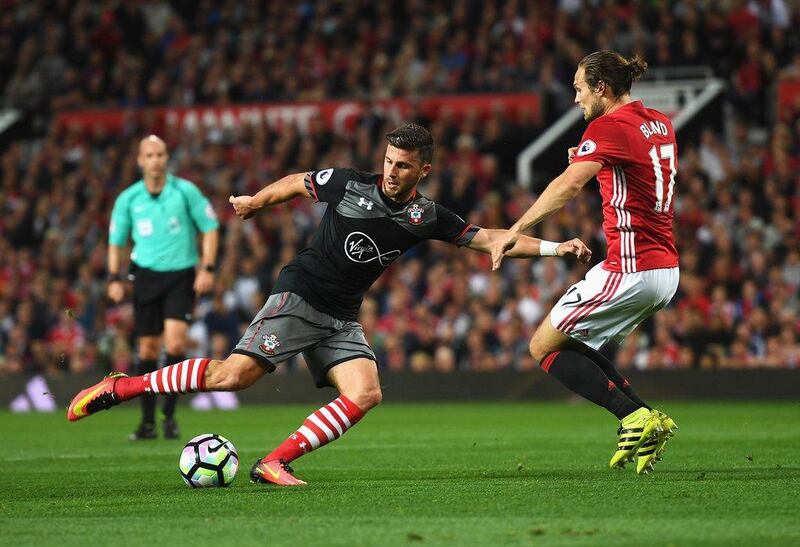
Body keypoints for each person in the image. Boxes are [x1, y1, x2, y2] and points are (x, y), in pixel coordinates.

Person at [68, 123, 591, 485]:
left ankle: (273, 463)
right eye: (388, 161)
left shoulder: (427, 216)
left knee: (365, 394)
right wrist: (255, 201)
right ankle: (122, 387)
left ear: (423, 170)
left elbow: (487, 238)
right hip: (301, 294)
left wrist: (554, 246)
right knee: (233, 377)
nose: (391, 172)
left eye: (404, 166)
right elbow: (298, 183)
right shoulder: (349, 184)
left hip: (341, 314)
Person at [491, 51, 680, 475]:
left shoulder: (608, 126)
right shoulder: (659, 122)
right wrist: (592, 159)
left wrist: (515, 228)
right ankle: (649, 419)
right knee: (574, 343)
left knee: (542, 346)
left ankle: (633, 417)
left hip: (632, 268)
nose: (575, 98)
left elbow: (570, 184)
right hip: (664, 269)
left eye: (579, 88)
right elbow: (634, 171)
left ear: (602, 88)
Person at [106, 135, 219, 440]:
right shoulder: (128, 199)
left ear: (167, 158)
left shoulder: (185, 192)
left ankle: (168, 415)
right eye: (150, 155)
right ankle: (146, 423)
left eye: (161, 154)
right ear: (140, 161)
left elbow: (210, 228)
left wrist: (206, 268)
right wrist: (114, 277)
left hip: (181, 275)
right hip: (144, 276)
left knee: (176, 344)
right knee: (147, 349)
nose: (156, 160)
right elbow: (116, 242)